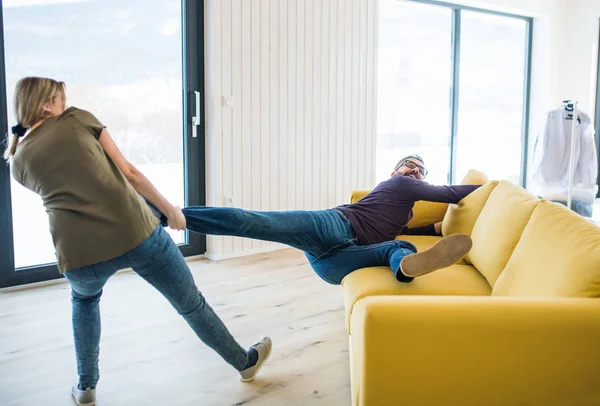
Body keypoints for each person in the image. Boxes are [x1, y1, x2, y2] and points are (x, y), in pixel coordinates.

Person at [4, 77, 272, 406]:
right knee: (191, 305)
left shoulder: (17, 162)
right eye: (60, 98)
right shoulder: (76, 118)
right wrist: (169, 210)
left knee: (85, 303)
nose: (65, 102)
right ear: (47, 104)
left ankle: (86, 387)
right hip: (137, 234)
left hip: (78, 256)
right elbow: (129, 173)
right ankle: (244, 364)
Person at [149, 155, 481, 285]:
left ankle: (405, 267)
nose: (416, 171)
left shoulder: (404, 207)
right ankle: (169, 213)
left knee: (398, 244)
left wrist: (434, 229)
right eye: (411, 166)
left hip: (330, 264)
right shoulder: (399, 184)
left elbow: (404, 225)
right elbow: (451, 192)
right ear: (396, 172)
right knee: (258, 222)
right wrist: (489, 187)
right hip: (333, 225)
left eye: (421, 170)